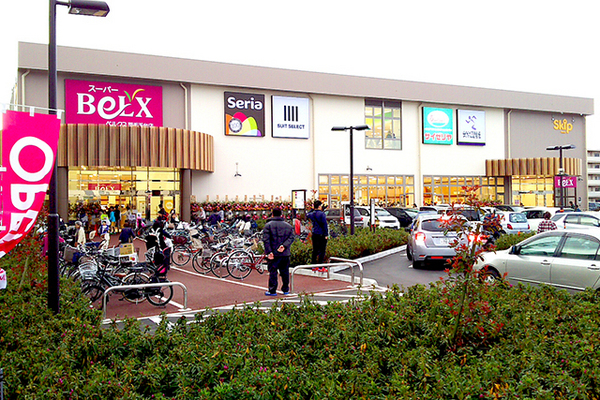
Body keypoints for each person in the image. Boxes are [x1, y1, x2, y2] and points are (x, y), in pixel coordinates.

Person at [262, 207, 295, 296]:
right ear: (281, 214)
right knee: (285, 272)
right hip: (285, 253)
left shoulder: (268, 225)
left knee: (273, 272)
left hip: (273, 253)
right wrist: (284, 245)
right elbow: (292, 237)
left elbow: (266, 240)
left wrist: (269, 252)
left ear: (272, 214)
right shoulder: (288, 226)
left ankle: (272, 290)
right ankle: (285, 289)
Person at [307, 200, 329, 271]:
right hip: (321, 234)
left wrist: (312, 209)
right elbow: (324, 225)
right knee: (322, 250)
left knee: (315, 250)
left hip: (314, 233)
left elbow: (307, 214)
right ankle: (320, 266)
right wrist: (326, 234)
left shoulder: (312, 214)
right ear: (319, 206)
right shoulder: (322, 214)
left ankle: (313, 266)